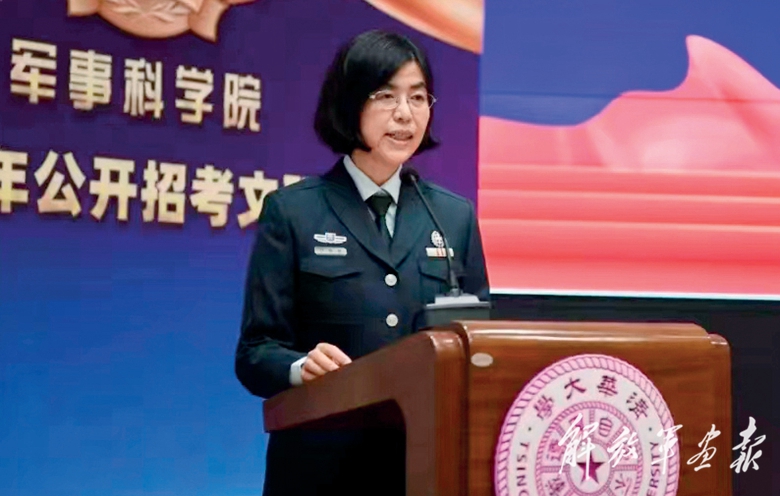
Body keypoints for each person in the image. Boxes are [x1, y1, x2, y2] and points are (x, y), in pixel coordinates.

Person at [234, 29, 489, 496]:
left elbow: (480, 348)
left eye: (418, 97)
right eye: (386, 95)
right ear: (350, 102)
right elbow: (255, 353)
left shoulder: (453, 217)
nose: (405, 113)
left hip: (423, 469)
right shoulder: (293, 211)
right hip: (321, 471)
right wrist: (300, 366)